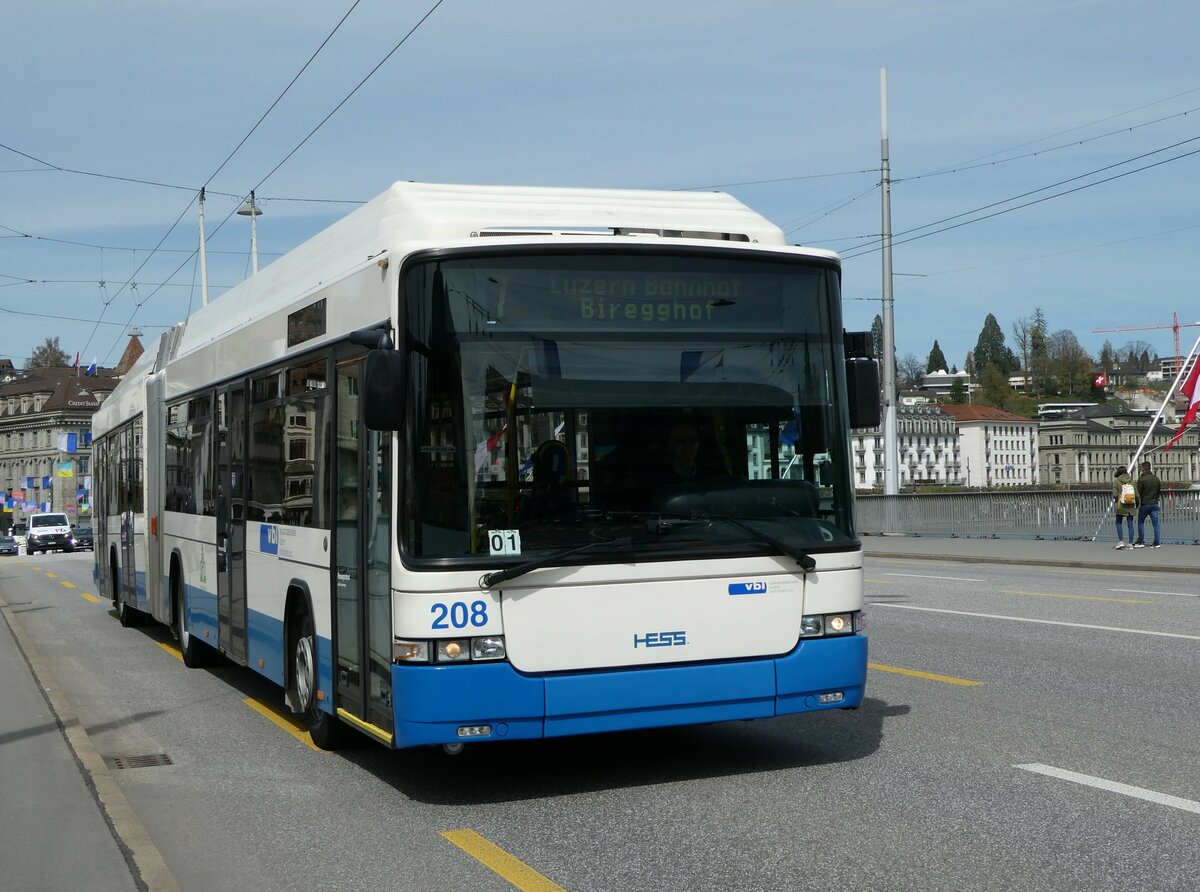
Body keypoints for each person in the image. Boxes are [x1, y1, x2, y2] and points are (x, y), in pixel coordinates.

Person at [1133, 460, 1162, 548]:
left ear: (1143, 469)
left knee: (1141, 522)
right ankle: (1157, 542)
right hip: (1154, 504)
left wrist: (1136, 504)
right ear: (1150, 468)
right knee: (1156, 524)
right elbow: (1158, 491)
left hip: (1145, 504)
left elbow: (1138, 493)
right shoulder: (1156, 479)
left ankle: (1141, 541)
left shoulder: (1141, 479)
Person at [1111, 466, 1136, 549]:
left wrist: (1117, 500)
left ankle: (1121, 541)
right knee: (1130, 523)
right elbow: (1137, 494)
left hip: (1121, 504)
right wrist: (1136, 504)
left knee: (1118, 522)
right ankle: (1130, 543)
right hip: (1131, 504)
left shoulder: (1117, 481)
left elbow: (1115, 494)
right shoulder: (1132, 481)